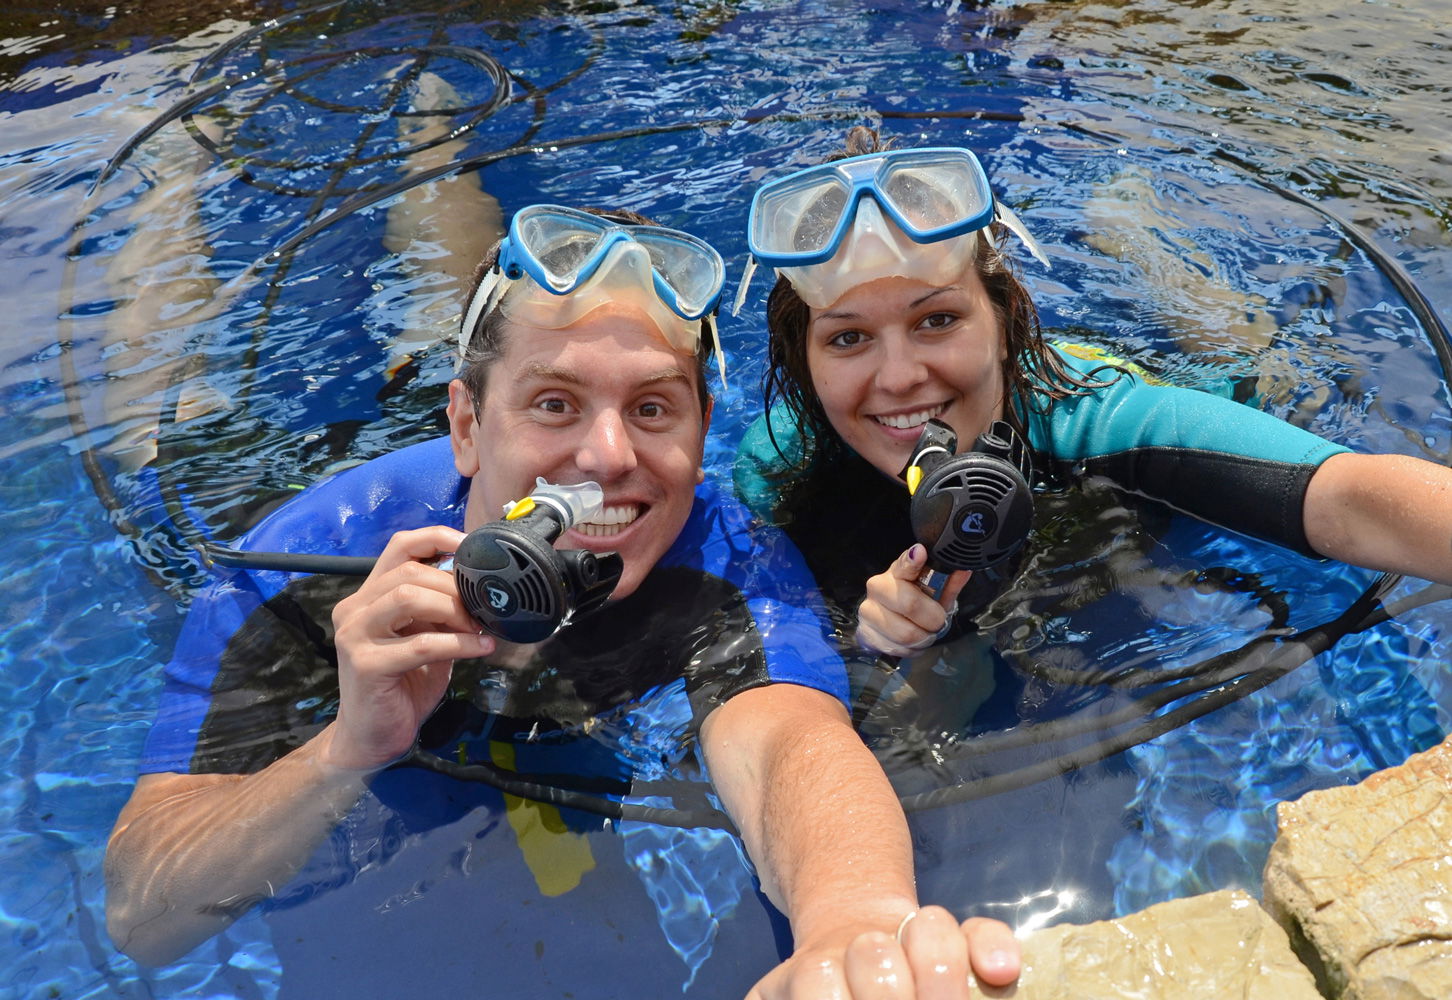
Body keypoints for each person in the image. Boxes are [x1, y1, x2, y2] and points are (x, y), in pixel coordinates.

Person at [105, 203, 1022, 999]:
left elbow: (790, 741)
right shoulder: (303, 567)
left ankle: (440, 150)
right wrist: (348, 748)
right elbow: (144, 922)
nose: (608, 458)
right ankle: (174, 198)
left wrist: (855, 924)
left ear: (703, 432)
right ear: (468, 427)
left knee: (430, 340)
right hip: (263, 484)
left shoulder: (731, 559)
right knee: (162, 434)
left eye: (654, 408)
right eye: (555, 404)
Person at [734, 125, 1452, 680]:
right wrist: (882, 642)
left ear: (1005, 324)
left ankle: (1126, 228)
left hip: (1155, 368)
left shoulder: (1098, 415)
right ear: (804, 362)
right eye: (848, 337)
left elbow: (1351, 499)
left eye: (938, 319)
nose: (897, 378)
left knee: (1260, 368)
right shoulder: (776, 465)